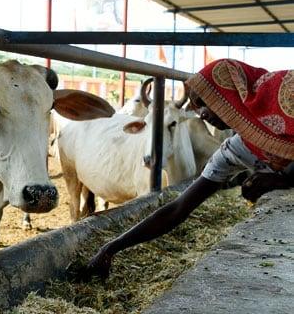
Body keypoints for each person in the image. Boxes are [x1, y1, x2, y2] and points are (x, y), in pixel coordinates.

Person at [69, 59, 294, 281]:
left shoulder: (287, 95)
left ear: (233, 95)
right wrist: (112, 247)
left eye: (206, 101)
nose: (201, 113)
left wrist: (283, 181)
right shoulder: (234, 151)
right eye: (197, 106)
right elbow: (178, 208)